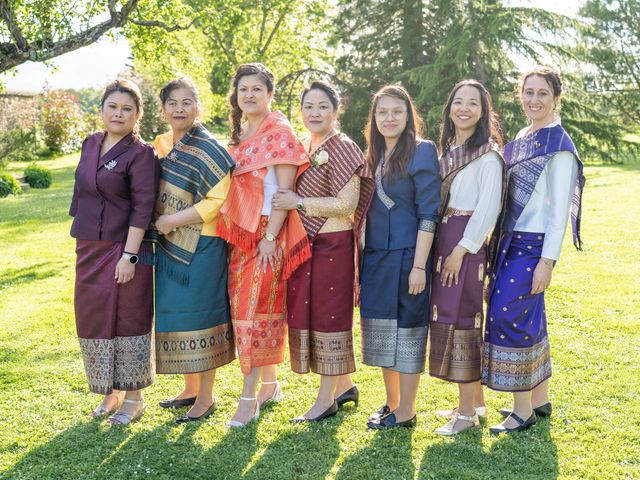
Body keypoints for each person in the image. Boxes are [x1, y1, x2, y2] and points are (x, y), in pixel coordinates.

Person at [482, 66, 585, 434]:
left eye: (542, 93)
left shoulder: (558, 145)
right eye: (528, 92)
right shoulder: (525, 136)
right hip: (510, 243)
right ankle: (539, 399)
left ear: (556, 98)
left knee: (508, 316)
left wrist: (547, 262)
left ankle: (521, 410)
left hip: (534, 246)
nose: (534, 100)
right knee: (530, 319)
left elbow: (558, 211)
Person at [272, 81, 375, 422]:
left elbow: (347, 203)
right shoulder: (303, 145)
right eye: (308, 107)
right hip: (306, 244)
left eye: (322, 107)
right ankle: (344, 385)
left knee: (330, 317)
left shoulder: (342, 146)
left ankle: (324, 400)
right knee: (313, 315)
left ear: (336, 110)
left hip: (333, 245)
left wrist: (299, 202)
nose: (314, 113)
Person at [218, 63, 310, 427]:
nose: (250, 95)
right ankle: (270, 385)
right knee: (254, 311)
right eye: (244, 89)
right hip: (240, 236)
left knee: (254, 313)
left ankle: (247, 399)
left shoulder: (280, 132)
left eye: (257, 88)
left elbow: (284, 193)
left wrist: (270, 237)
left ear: (270, 94)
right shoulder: (240, 135)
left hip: (268, 236)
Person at [69, 78, 158, 425]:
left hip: (125, 248)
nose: (118, 114)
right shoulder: (90, 143)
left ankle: (134, 398)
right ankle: (111, 391)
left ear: (137, 115)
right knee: (93, 317)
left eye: (127, 109)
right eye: (113, 107)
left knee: (127, 319)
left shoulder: (141, 153)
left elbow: (143, 206)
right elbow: (82, 195)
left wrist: (130, 257)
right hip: (89, 247)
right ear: (102, 108)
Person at [147, 77, 235, 423]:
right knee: (176, 315)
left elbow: (218, 200)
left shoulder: (210, 147)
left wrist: (173, 221)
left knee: (202, 316)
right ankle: (189, 388)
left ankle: (207, 397)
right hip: (168, 246)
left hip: (203, 243)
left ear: (199, 107)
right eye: (172, 102)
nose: (179, 109)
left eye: (186, 102)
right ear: (164, 108)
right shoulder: (162, 143)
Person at [360, 85, 442, 429]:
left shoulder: (422, 151)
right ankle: (392, 403)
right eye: (382, 112)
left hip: (410, 256)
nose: (389, 118)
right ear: (374, 118)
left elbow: (429, 212)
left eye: (396, 111)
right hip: (377, 257)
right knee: (381, 330)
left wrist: (420, 266)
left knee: (407, 332)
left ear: (409, 115)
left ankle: (407, 410)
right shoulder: (374, 154)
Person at [428, 79, 505, 436]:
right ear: (450, 109)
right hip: (446, 237)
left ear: (483, 111)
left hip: (465, 244)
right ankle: (474, 402)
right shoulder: (450, 151)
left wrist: (462, 249)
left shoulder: (487, 155)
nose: (464, 108)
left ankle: (465, 415)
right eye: (458, 101)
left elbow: (488, 209)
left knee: (463, 320)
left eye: (473, 103)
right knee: (448, 316)